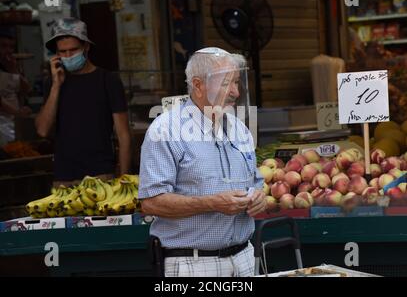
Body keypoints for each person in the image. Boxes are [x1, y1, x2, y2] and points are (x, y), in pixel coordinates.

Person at [138, 47, 267, 277]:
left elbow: (256, 183)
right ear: (198, 85)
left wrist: (258, 197)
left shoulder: (240, 129)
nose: (236, 92)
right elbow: (151, 203)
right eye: (227, 83)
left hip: (245, 258)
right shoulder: (165, 131)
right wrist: (211, 203)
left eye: (237, 82)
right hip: (194, 264)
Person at [35, 17, 131, 184]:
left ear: (86, 47)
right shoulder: (52, 83)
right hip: (64, 178)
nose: (68, 55)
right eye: (62, 52)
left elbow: (124, 135)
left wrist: (124, 179)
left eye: (73, 50)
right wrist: (56, 86)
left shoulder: (108, 80)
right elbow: (43, 130)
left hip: (101, 176)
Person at [0, 27, 32, 145]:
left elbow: (26, 89)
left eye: (11, 47)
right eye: (3, 46)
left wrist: (14, 69)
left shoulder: (12, 65)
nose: (8, 50)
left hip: (13, 121)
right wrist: (18, 112)